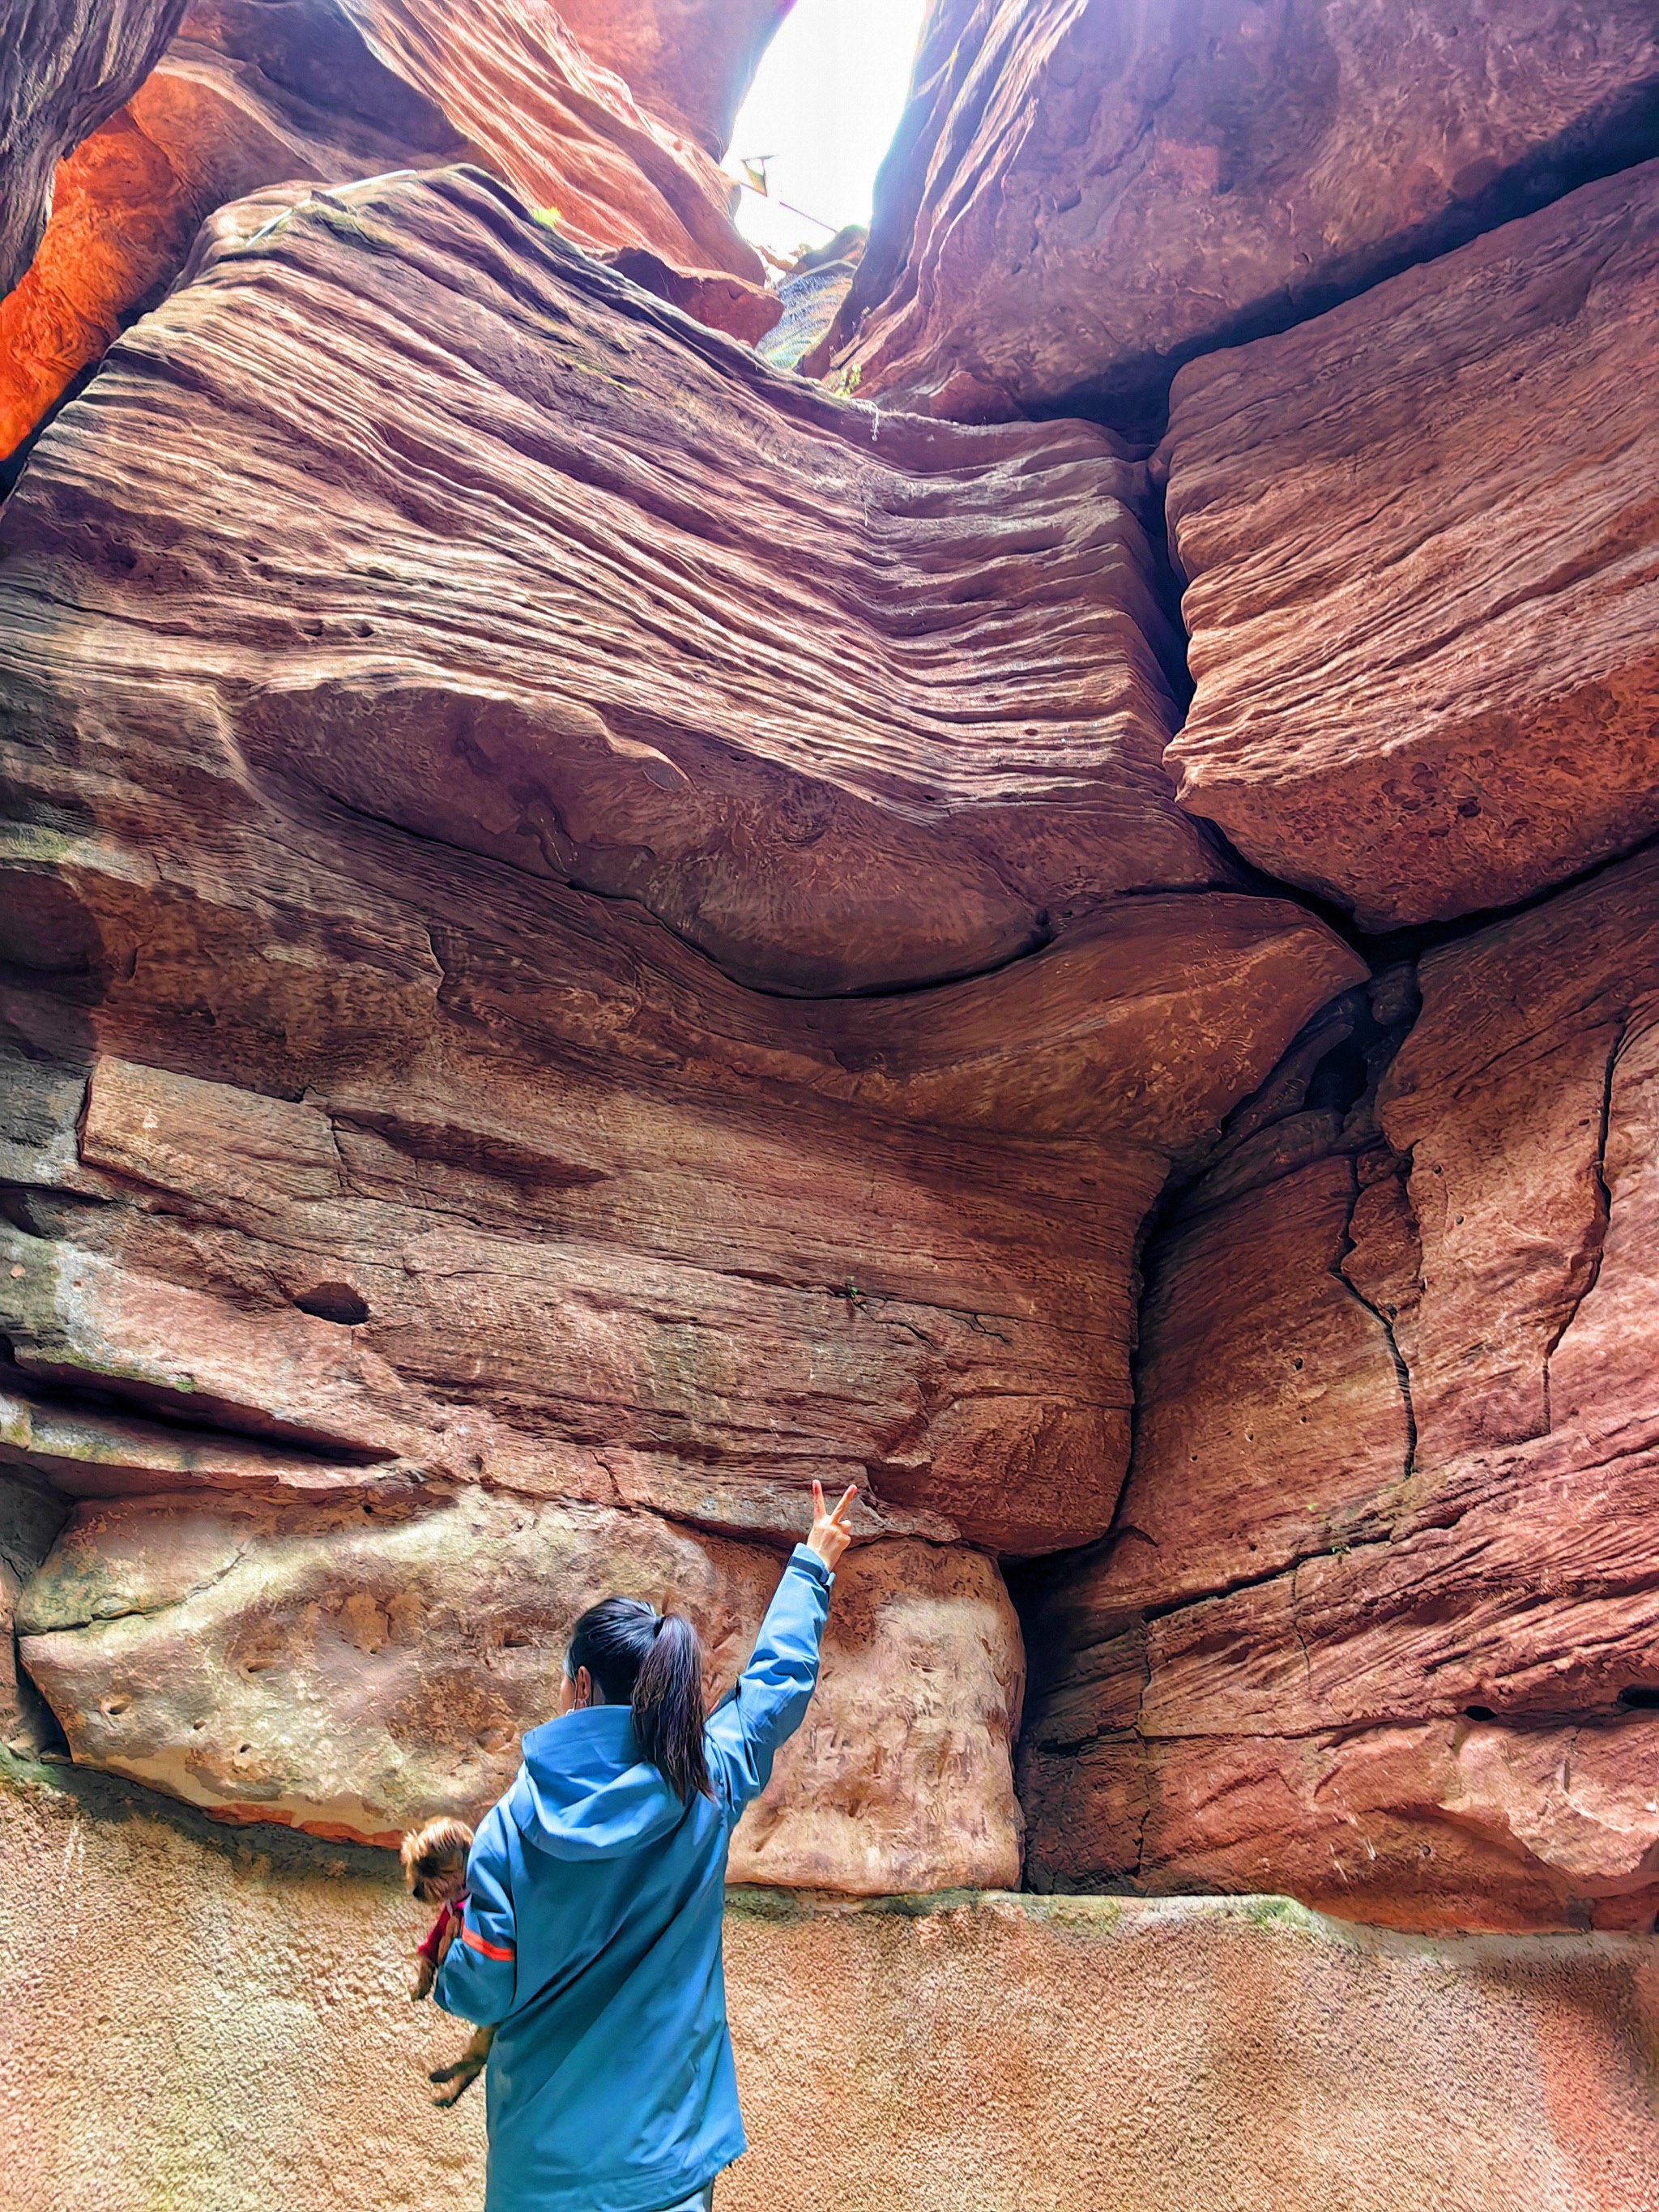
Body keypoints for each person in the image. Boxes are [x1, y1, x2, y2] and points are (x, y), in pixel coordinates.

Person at [433, 1479, 859, 2212]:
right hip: (664, 2168)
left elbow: (480, 1989)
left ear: (581, 1685)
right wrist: (811, 1564)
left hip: (539, 2173)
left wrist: (447, 1930)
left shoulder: (508, 1826)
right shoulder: (709, 1784)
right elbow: (772, 1692)